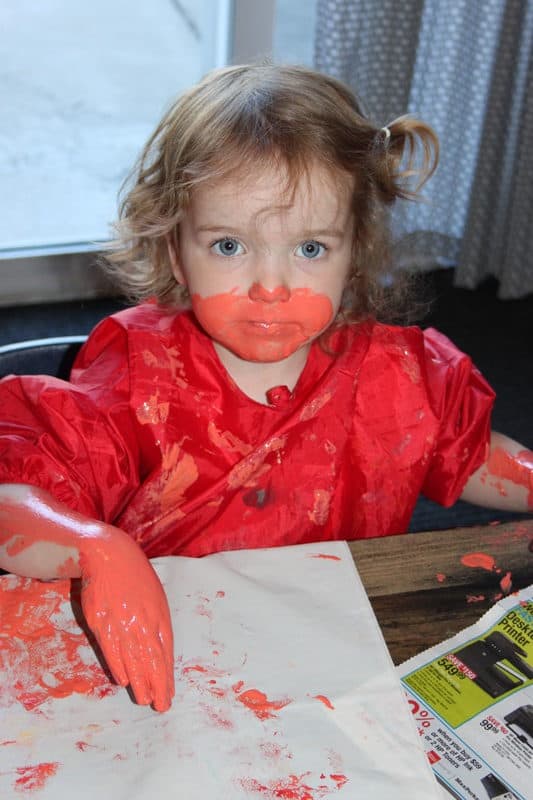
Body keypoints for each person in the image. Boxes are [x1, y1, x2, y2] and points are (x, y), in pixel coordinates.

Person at [0, 64, 531, 713]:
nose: (271, 285)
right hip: (173, 662)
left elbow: (467, 455)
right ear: (174, 251)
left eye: (310, 248)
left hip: (338, 649)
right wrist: (95, 546)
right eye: (229, 245)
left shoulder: (400, 374)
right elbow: (11, 496)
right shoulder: (137, 379)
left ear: (353, 251)